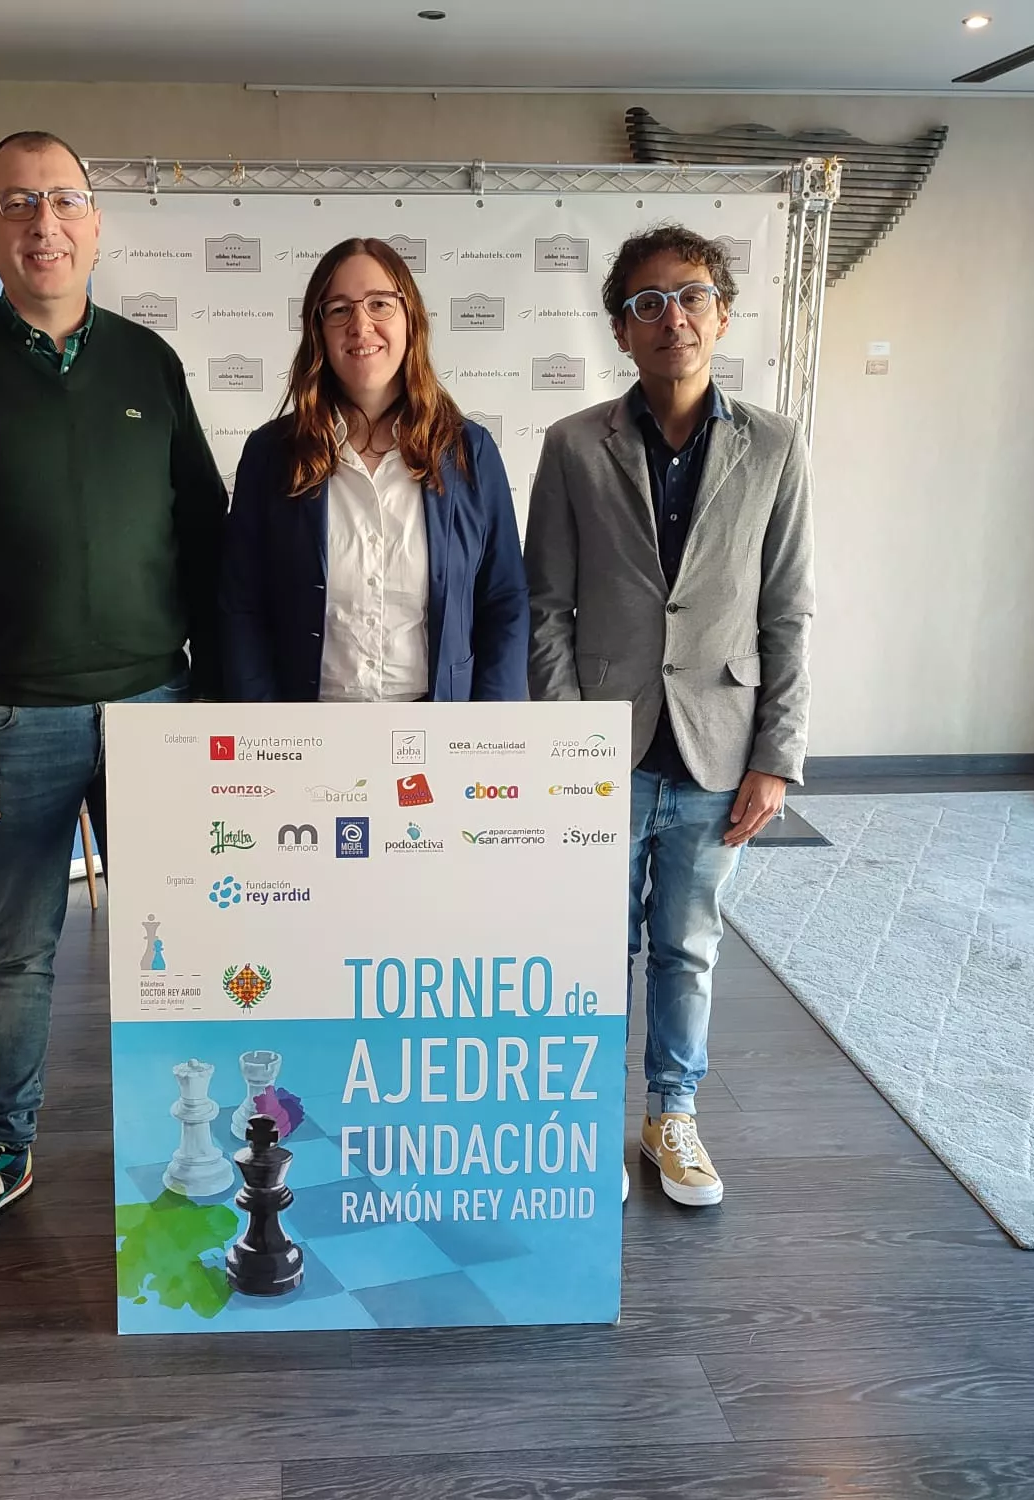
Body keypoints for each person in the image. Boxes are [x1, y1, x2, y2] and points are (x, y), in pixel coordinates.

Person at [0, 130, 227, 1264]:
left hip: (159, 713)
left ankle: (201, 1149)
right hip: (3, 719)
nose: (43, 224)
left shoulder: (147, 362)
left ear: (95, 224)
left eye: (63, 200)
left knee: (178, 946)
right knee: (16, 951)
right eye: (17, 203)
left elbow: (206, 535)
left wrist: (222, 695)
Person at [524, 224, 813, 1208]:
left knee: (687, 943)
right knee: (594, 947)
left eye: (688, 296)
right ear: (621, 328)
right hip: (603, 743)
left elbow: (786, 609)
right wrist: (567, 740)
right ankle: (587, 1123)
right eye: (647, 302)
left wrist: (776, 755)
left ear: (720, 313)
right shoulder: (571, 446)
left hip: (716, 747)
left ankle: (671, 1116)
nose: (670, 317)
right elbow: (544, 608)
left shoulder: (773, 445)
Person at [220, 237, 527, 703]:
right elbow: (241, 605)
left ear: (411, 319)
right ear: (318, 330)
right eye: (339, 309)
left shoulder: (467, 450)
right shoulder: (272, 453)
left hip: (438, 727)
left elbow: (503, 600)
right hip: (308, 731)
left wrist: (487, 732)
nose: (361, 326)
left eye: (380, 304)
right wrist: (264, 725)